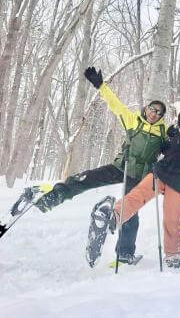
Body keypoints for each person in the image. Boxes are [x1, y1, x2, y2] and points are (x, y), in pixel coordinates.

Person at [26, 66, 167, 264]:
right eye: (153, 109)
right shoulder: (133, 120)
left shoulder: (163, 132)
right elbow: (115, 104)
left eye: (159, 113)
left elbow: (171, 149)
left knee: (130, 211)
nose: (155, 113)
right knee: (86, 178)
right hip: (122, 166)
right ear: (147, 108)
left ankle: (125, 253)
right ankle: (55, 196)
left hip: (139, 175)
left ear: (161, 117)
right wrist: (101, 86)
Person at [88, 101, 180, 269]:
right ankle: (112, 217)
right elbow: (155, 147)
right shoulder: (172, 134)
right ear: (179, 119)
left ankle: (173, 254)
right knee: (137, 194)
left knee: (172, 219)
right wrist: (130, 147)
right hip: (161, 172)